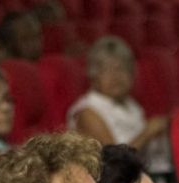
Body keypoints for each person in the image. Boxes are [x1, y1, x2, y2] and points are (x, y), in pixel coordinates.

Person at [67, 36, 171, 174]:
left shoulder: (131, 105)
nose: (116, 76)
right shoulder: (87, 112)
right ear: (93, 76)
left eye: (122, 68)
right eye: (107, 69)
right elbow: (115, 163)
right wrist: (148, 132)